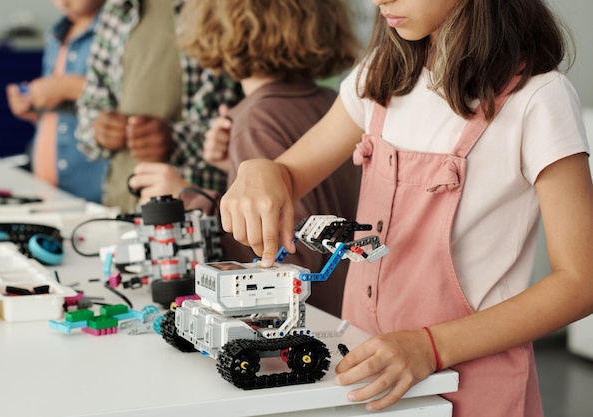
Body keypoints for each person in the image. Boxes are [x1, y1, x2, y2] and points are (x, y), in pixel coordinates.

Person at [218, 0, 593, 415]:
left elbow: (581, 281)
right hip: (366, 373)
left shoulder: (538, 97)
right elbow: (288, 173)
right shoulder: (379, 76)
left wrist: (429, 347)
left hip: (471, 386)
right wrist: (259, 170)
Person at [128, 0, 360, 317]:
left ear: (217, 28)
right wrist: (231, 167)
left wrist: (190, 199)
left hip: (314, 320)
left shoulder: (256, 121)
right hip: (352, 310)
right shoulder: (335, 103)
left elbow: (285, 257)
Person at [76, 0, 242, 213]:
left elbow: (242, 121)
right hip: (118, 206)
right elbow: (90, 105)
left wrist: (176, 141)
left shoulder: (216, 7)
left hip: (195, 213)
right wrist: (98, 129)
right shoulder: (117, 8)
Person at [6, 0, 108, 203]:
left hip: (92, 192)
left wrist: (68, 87)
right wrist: (31, 106)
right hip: (46, 184)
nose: (63, 2)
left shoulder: (111, 33)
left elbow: (127, 98)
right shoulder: (56, 35)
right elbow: (56, 117)